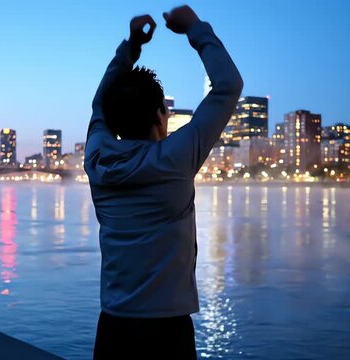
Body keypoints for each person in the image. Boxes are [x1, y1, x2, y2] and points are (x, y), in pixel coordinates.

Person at [84, 5, 243, 358]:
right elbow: (228, 86)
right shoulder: (175, 158)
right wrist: (194, 28)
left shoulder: (96, 159)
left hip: (112, 325)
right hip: (167, 329)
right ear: (161, 115)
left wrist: (131, 47)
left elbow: (99, 106)